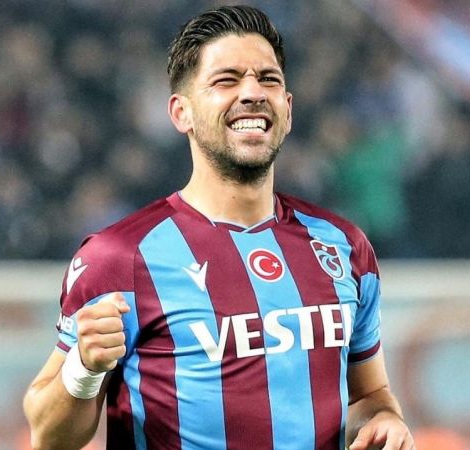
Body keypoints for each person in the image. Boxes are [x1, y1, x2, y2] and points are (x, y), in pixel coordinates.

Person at [23, 5, 415, 450]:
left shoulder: (342, 247)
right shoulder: (119, 258)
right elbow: (48, 437)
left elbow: (368, 396)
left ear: (287, 110)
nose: (252, 92)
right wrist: (83, 369)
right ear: (182, 113)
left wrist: (385, 419)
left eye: (268, 79)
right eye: (226, 80)